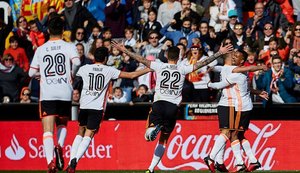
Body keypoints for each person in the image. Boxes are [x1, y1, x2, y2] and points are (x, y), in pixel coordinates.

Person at [112, 41, 233, 173]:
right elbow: (203, 63)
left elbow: (140, 58)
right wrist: (219, 53)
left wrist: (125, 50)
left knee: (148, 135)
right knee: (163, 140)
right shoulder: (183, 68)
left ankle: (152, 134)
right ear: (179, 56)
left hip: (158, 104)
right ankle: (151, 168)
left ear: (166, 55)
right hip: (173, 107)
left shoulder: (159, 66)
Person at [66, 46, 151, 172]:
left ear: (94, 57)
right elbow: (132, 75)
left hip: (84, 105)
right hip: (97, 108)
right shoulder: (109, 70)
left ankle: (71, 160)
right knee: (88, 135)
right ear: (106, 58)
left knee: (80, 133)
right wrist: (149, 69)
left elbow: (72, 77)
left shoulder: (84, 68)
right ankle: (75, 161)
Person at [28, 16, 81, 173]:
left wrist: (40, 74)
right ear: (63, 30)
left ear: (48, 30)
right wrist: (71, 74)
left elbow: (31, 72)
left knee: (48, 129)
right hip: (65, 91)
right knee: (63, 123)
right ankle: (60, 146)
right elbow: (77, 62)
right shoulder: (69, 46)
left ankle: (50, 162)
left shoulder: (41, 49)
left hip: (48, 92)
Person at [205, 50, 268, 172]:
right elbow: (246, 87)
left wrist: (208, 84)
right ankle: (250, 161)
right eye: (233, 55)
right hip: (241, 106)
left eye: (237, 56)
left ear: (242, 61)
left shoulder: (237, 72)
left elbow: (219, 85)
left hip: (239, 107)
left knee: (230, 134)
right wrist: (211, 67)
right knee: (238, 135)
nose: (234, 57)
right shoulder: (233, 70)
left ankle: (212, 158)